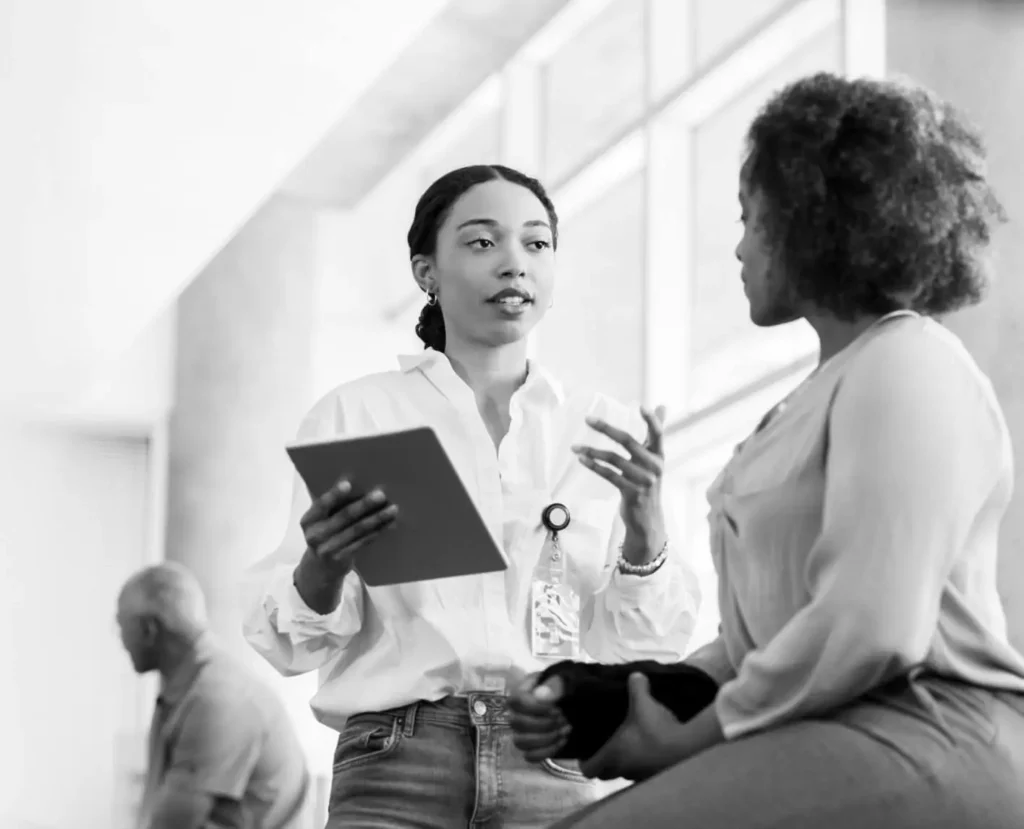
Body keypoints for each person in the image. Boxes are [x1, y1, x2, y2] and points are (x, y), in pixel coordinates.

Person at [522, 72, 1024, 828]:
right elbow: (771, 638)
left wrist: (691, 738)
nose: (739, 247)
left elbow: (868, 622)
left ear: (810, 220)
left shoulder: (908, 359)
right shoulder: (814, 397)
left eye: (751, 220)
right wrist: (624, 695)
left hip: (932, 724)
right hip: (832, 725)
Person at [241, 163, 702, 828]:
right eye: (483, 242)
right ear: (426, 271)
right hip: (396, 763)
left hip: (554, 758)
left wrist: (647, 532)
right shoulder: (361, 415)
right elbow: (295, 643)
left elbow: (641, 651)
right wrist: (323, 563)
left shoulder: (604, 433)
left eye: (536, 243)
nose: (514, 263)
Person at [117, 563, 309, 829]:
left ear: (148, 629)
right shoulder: (189, 688)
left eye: (121, 625)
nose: (121, 639)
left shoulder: (217, 699)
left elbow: (173, 824)